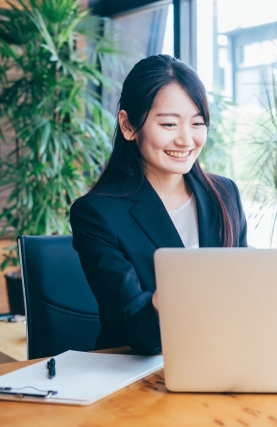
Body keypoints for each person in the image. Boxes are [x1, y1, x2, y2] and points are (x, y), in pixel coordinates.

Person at [71, 55, 247, 355]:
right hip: (139, 376)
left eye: (197, 123)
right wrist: (182, 290)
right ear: (128, 126)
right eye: (168, 124)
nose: (186, 139)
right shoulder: (97, 213)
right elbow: (137, 331)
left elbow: (245, 296)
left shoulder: (224, 193)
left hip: (223, 359)